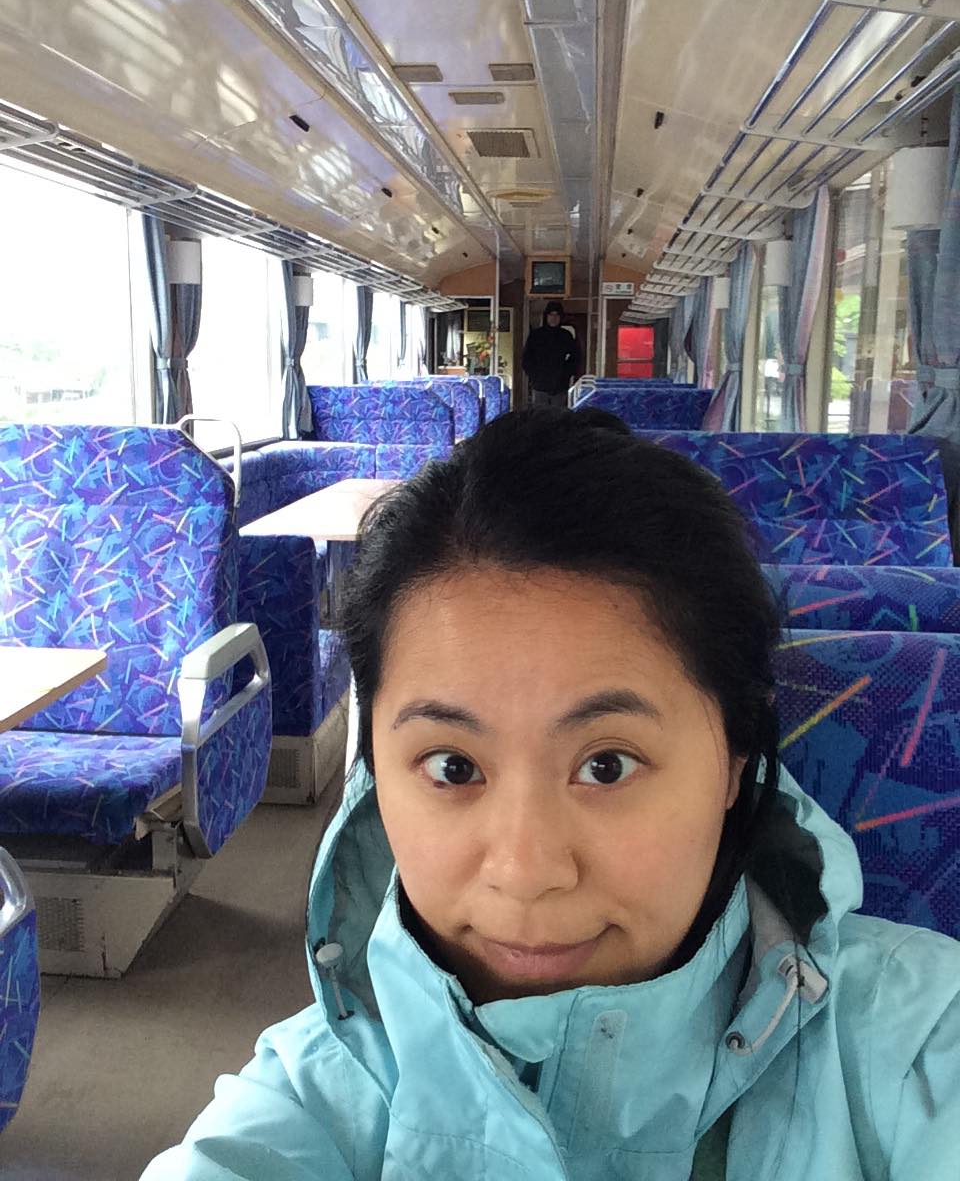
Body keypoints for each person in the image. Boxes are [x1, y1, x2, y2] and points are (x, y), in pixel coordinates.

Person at [143, 409, 960, 1180]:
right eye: (452, 767)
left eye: (607, 766)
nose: (526, 871)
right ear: (375, 778)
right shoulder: (310, 1098)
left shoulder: (918, 1045)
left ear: (733, 762)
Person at [522, 300, 580, 406]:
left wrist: (566, 374)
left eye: (557, 315)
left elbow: (575, 357)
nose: (554, 318)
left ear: (561, 317)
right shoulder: (536, 335)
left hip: (560, 385)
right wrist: (534, 375)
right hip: (539, 385)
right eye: (551, 315)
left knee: (558, 414)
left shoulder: (566, 336)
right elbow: (527, 358)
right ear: (546, 316)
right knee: (540, 414)